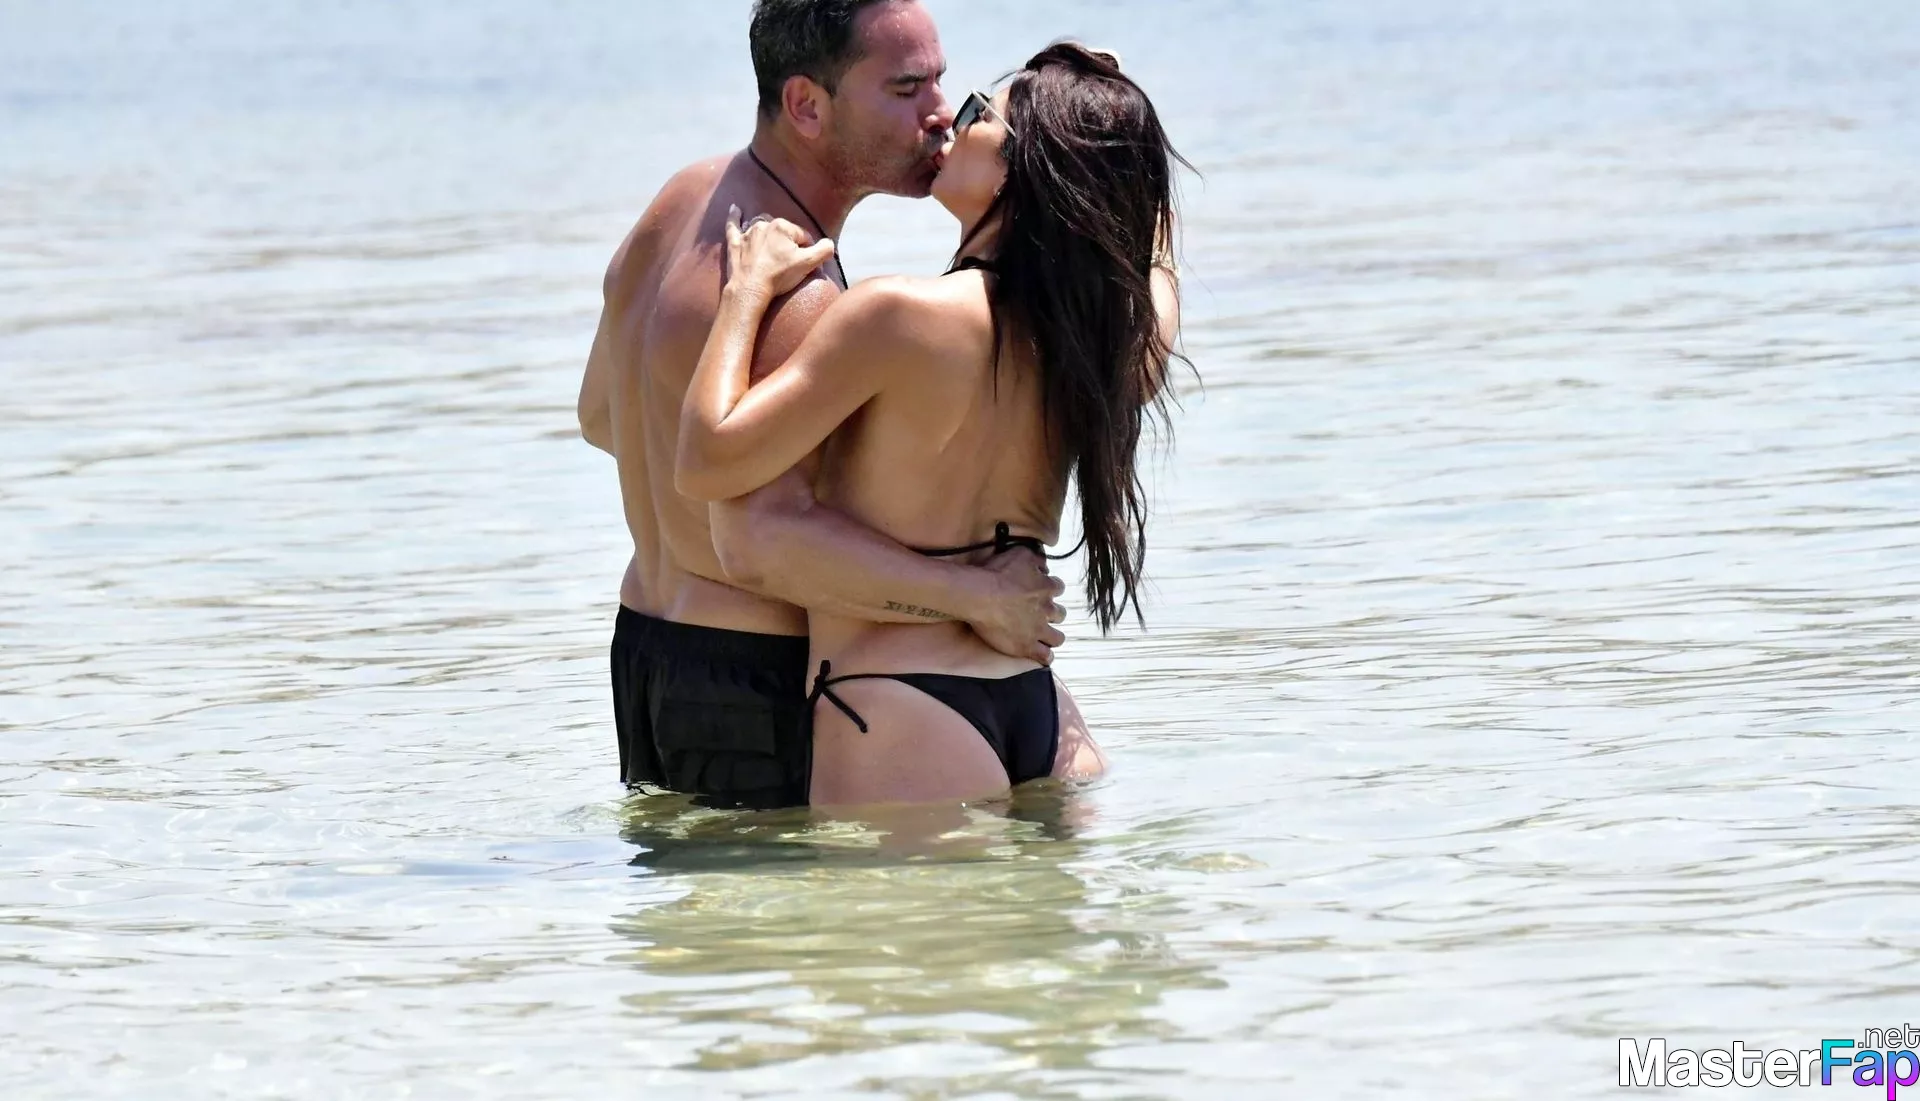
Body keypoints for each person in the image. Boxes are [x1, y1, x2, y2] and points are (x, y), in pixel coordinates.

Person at [575, 0, 1067, 810]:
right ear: (806, 104)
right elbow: (762, 543)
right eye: (906, 89)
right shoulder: (797, 292)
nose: (940, 112)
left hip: (647, 647)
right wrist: (977, 597)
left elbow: (602, 416)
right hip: (756, 676)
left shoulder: (684, 202)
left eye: (938, 81)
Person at [676, 43, 1188, 806]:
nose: (953, 121)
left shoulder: (897, 316)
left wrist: (743, 296)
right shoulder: (1106, 344)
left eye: (981, 113)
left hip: (901, 706)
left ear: (1021, 170)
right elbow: (1155, 252)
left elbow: (706, 458)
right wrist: (1107, 115)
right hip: (1044, 712)